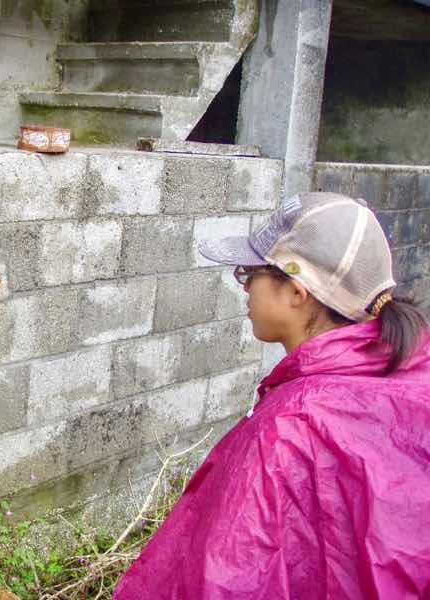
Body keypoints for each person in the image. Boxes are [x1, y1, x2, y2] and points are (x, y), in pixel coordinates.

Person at [113, 191, 430, 599]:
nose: (245, 287)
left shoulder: (292, 423)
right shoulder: (411, 375)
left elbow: (220, 578)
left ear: (297, 292)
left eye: (251, 273)